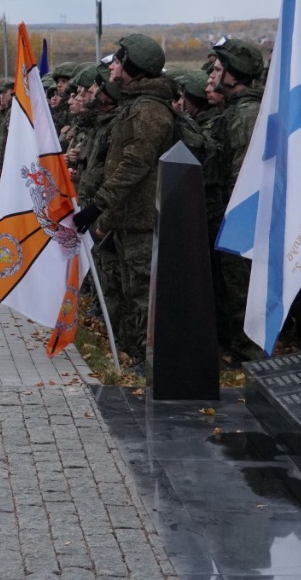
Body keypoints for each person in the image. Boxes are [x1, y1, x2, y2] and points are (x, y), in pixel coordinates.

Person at [73, 34, 177, 365]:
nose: (113, 67)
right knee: (132, 293)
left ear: (132, 68)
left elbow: (134, 166)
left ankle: (152, 363)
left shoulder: (148, 111)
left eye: (119, 61)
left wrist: (97, 206)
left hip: (143, 220)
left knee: (143, 295)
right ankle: (134, 355)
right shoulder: (135, 105)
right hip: (128, 218)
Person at [208, 38, 265, 361]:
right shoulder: (233, 112)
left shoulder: (246, 115)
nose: (213, 75)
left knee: (242, 289)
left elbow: (244, 175)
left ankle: (250, 356)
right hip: (233, 217)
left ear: (234, 74)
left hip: (242, 218)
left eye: (218, 68)